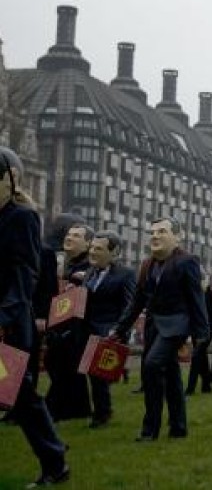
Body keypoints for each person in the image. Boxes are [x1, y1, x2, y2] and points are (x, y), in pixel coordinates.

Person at [0, 146, 69, 486]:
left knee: (20, 395)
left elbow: (23, 274)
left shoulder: (22, 218)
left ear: (10, 179)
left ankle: (55, 461)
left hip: (9, 323)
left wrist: (4, 317)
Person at [112, 217, 209, 441]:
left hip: (177, 325)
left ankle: (150, 430)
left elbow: (197, 299)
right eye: (152, 232)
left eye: (162, 231)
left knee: (151, 366)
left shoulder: (187, 262)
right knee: (172, 375)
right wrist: (120, 328)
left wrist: (201, 333)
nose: (155, 236)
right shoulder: (147, 265)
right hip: (154, 326)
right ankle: (178, 428)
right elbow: (136, 302)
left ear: (177, 237)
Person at [82, 230, 136, 428]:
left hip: (109, 332)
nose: (93, 252)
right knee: (91, 375)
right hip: (87, 331)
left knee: (99, 377)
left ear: (113, 253)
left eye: (99, 249)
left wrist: (120, 331)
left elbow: (129, 306)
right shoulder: (90, 272)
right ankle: (98, 412)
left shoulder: (126, 274)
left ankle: (102, 415)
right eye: (92, 248)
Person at [44, 223, 93, 422]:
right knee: (56, 363)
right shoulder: (61, 263)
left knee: (67, 364)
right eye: (69, 234)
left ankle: (59, 409)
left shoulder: (89, 267)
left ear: (88, 243)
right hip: (58, 322)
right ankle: (77, 408)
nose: (69, 238)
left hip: (78, 325)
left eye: (76, 236)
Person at [184, 273, 212, 396]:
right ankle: (206, 386)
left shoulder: (211, 294)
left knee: (197, 356)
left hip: (207, 329)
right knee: (202, 357)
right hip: (195, 328)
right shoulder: (192, 293)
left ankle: (190, 388)